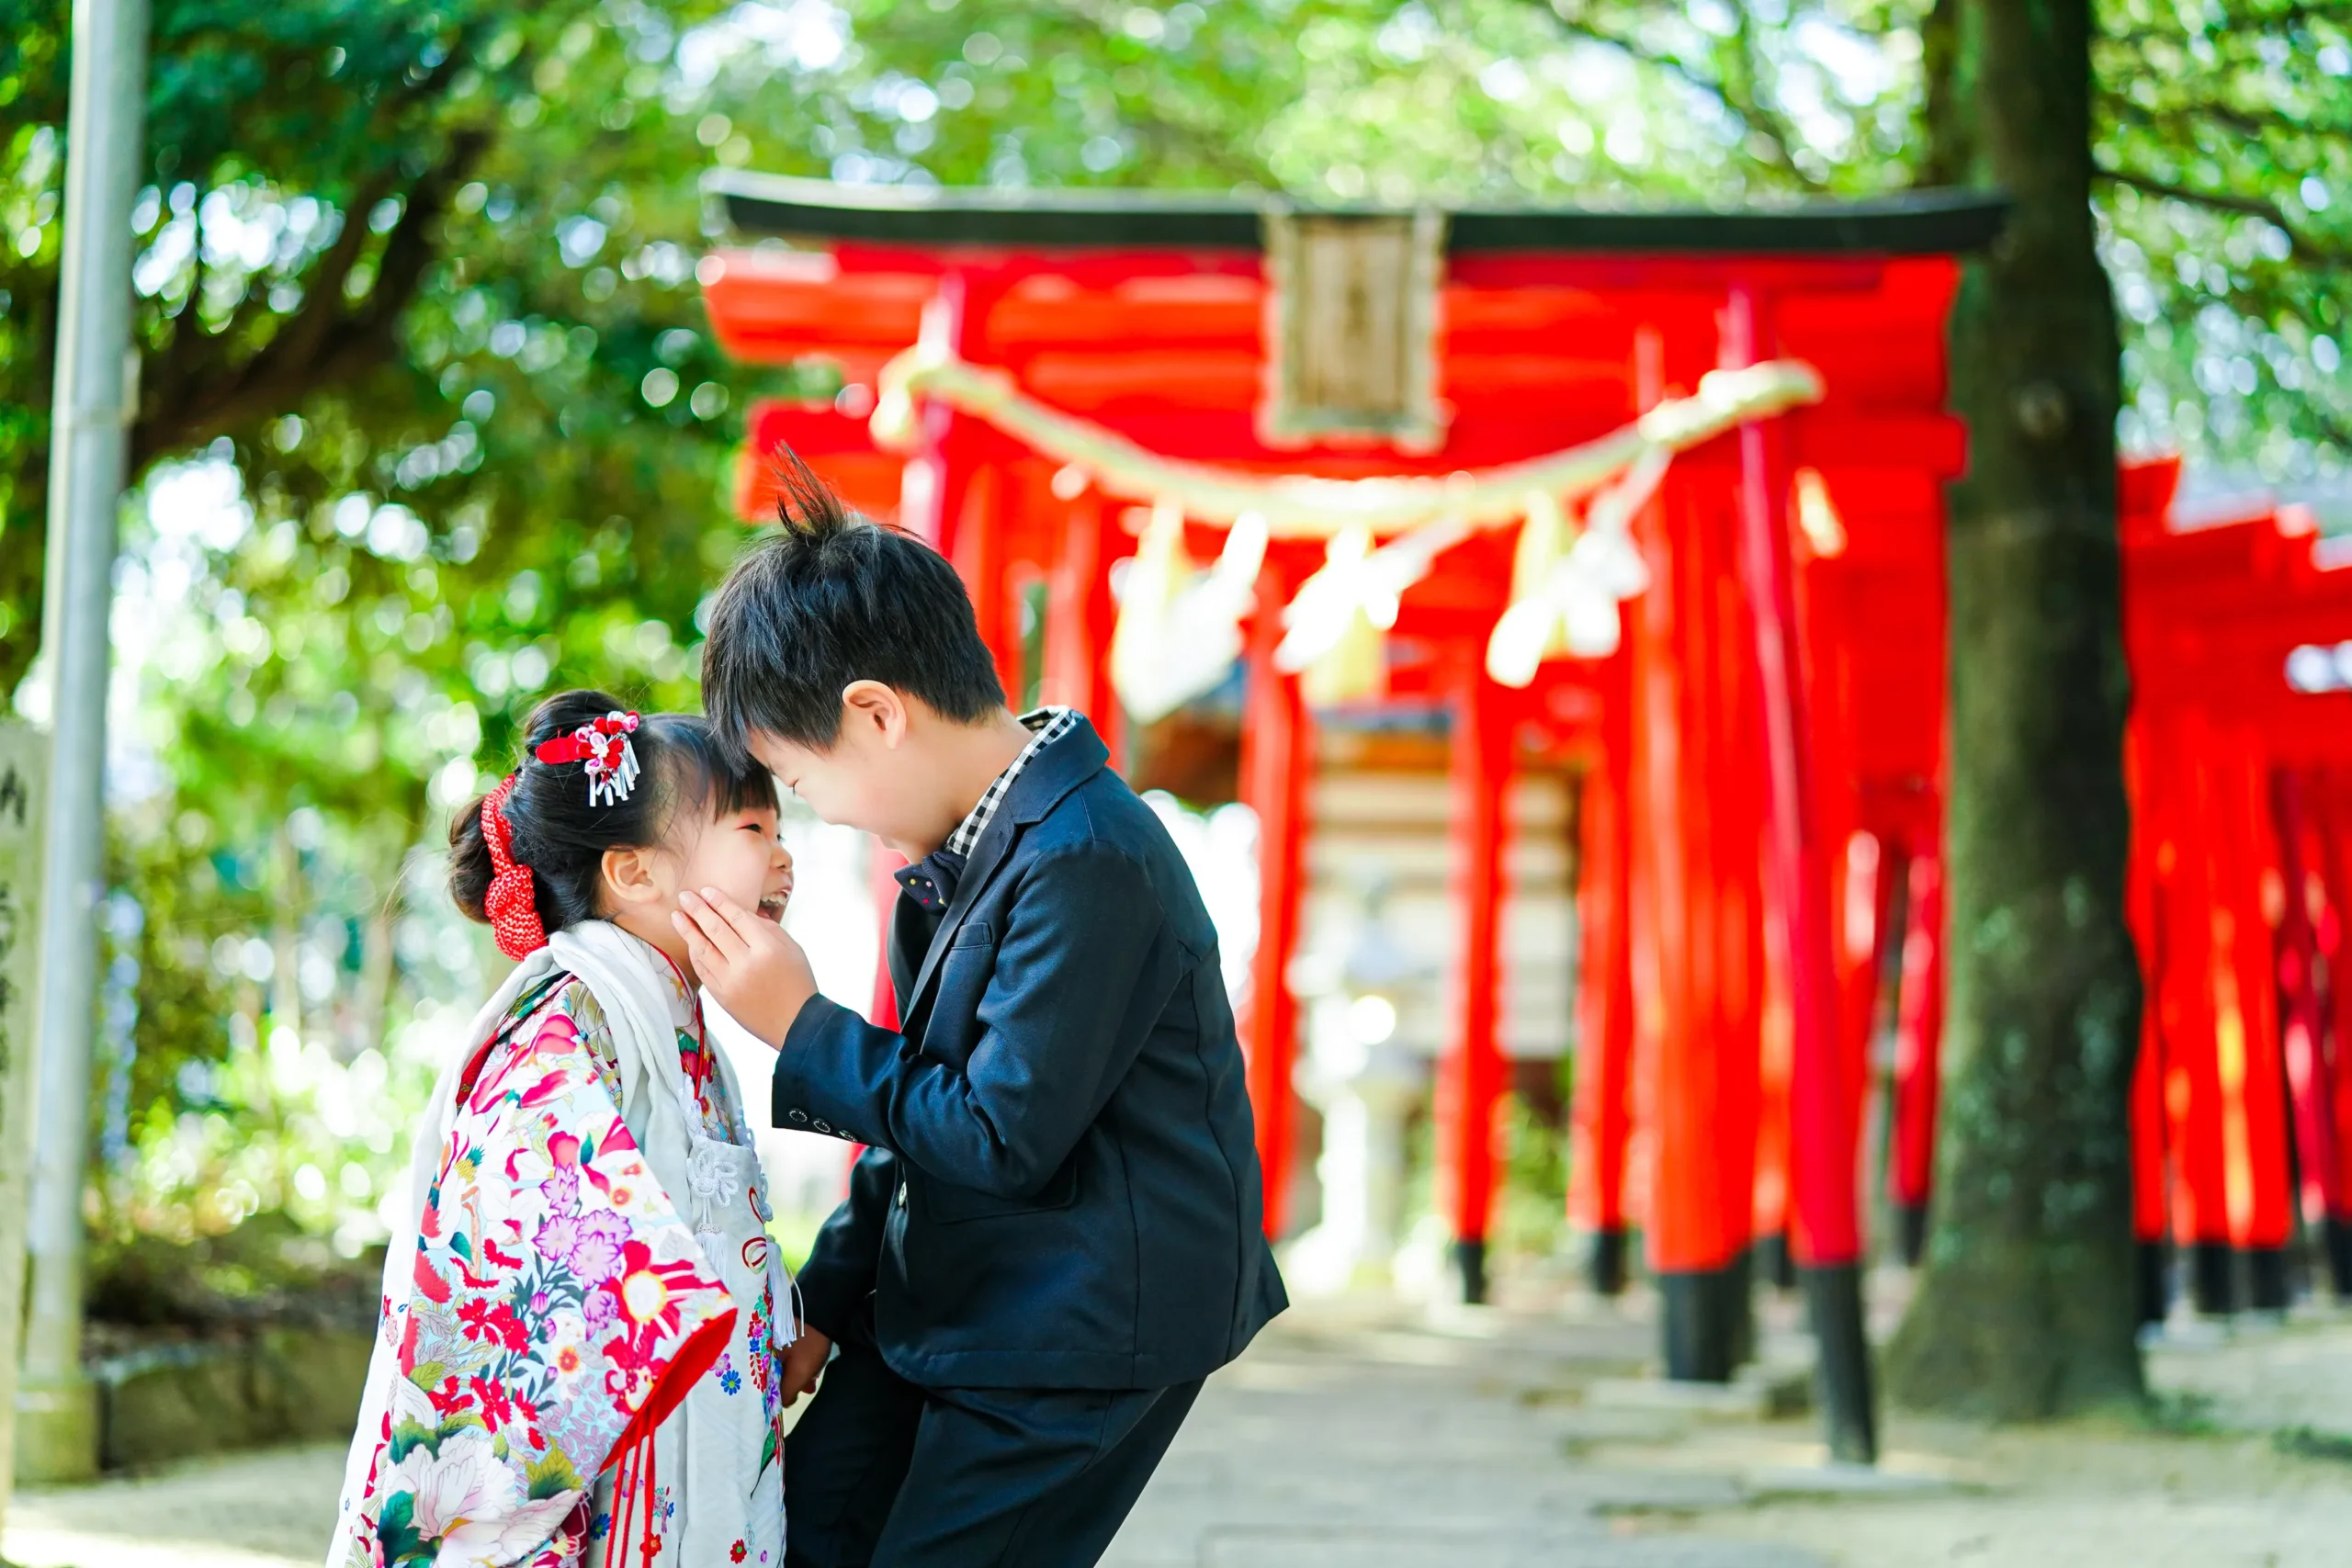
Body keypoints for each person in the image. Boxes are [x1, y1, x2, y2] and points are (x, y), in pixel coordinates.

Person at [673, 460, 1287, 1568]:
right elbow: (914, 1118)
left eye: (801, 784)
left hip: (1085, 1328)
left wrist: (800, 1022)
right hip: (966, 1289)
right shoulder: (956, 846)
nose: (815, 816)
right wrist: (825, 1298)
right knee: (791, 1538)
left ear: (874, 713)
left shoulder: (1087, 855)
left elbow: (996, 1133)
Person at [327, 691, 801, 1568]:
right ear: (634, 872)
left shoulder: (676, 1017)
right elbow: (519, 1280)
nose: (785, 860)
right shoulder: (569, 1017)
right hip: (618, 1478)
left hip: (692, 1455)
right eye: (753, 830)